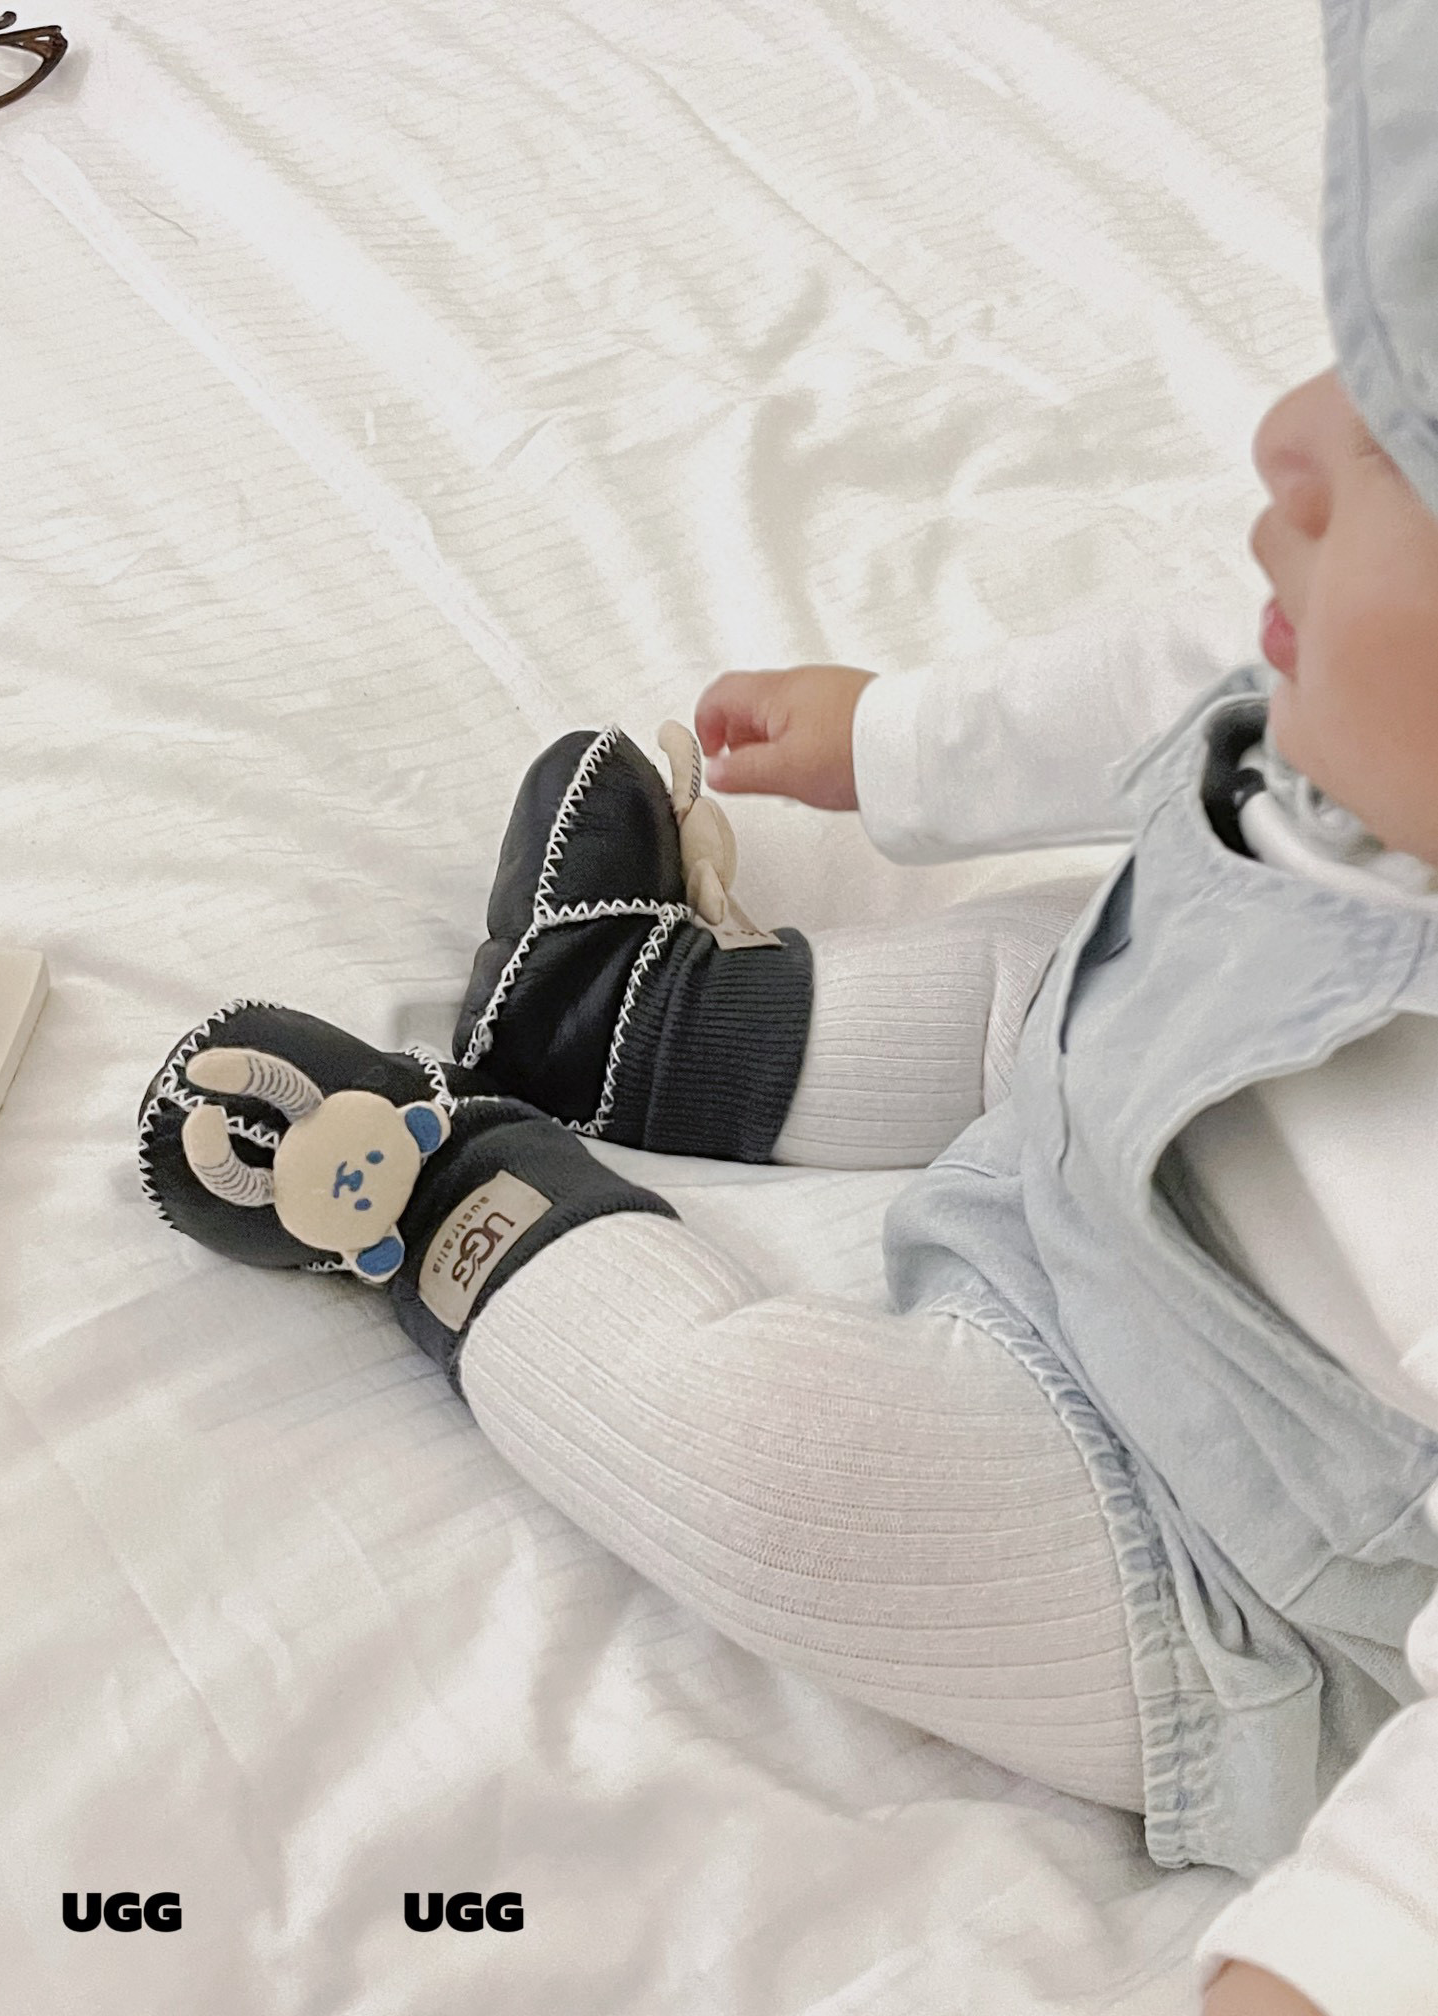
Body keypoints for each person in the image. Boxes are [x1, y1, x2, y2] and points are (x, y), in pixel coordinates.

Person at [137, 0, 1438, 2006]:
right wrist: (897, 739)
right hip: (1136, 1111)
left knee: (784, 1471)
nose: (1286, 436)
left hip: (1200, 1546)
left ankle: (438, 1198)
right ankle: (622, 1021)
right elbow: (1171, 688)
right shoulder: (1375, 743)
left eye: (1400, 458)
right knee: (1062, 955)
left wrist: (1327, 1966)